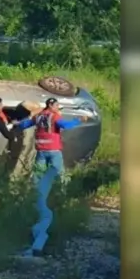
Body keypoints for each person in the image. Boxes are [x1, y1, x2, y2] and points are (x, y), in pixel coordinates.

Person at [14, 97, 88, 258]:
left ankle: (36, 193)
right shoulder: (54, 116)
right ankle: (62, 190)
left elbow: (26, 124)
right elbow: (64, 125)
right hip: (53, 150)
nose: (58, 107)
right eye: (57, 105)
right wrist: (78, 120)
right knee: (59, 173)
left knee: (38, 174)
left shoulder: (39, 116)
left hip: (41, 150)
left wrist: (16, 125)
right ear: (51, 105)